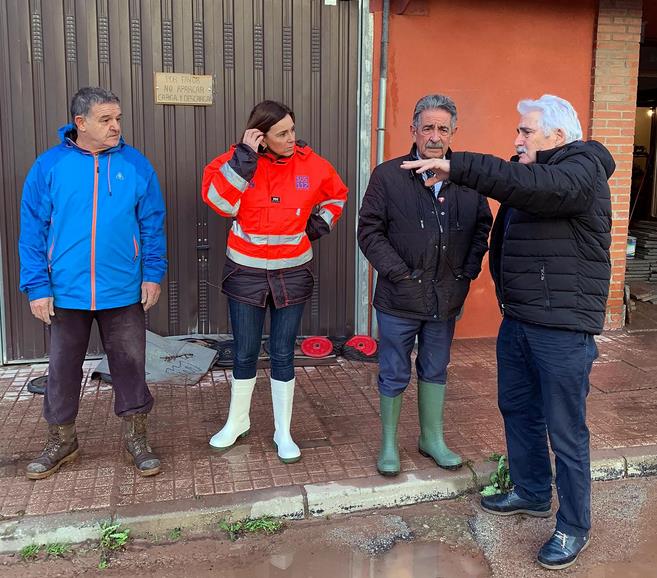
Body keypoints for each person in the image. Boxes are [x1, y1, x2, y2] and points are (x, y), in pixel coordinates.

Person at [402, 94, 614, 570]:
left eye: (526, 131)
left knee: (566, 430)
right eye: (518, 131)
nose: (517, 138)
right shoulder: (537, 176)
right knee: (518, 409)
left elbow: (530, 186)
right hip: (519, 320)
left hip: (560, 329)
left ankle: (574, 526)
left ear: (558, 136)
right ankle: (533, 491)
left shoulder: (581, 170)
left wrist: (457, 166)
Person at [19, 86, 167, 480]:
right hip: (66, 290)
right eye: (106, 120)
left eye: (118, 118)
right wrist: (37, 286)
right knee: (62, 368)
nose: (116, 126)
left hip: (123, 288)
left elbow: (152, 224)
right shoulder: (49, 167)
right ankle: (62, 440)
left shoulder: (135, 165)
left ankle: (137, 437)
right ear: (80, 123)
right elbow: (33, 230)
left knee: (131, 364)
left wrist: (152, 274)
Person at [201, 100, 348, 463]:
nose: (291, 139)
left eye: (292, 130)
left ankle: (284, 430)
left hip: (292, 273)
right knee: (245, 349)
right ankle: (237, 421)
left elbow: (337, 195)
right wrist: (244, 160)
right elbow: (218, 201)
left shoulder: (311, 165)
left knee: (283, 351)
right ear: (260, 136)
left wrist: (318, 225)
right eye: (282, 133)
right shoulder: (233, 164)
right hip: (245, 273)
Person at [357, 94, 492, 477]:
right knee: (394, 370)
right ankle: (388, 444)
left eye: (443, 129)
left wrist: (467, 272)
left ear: (453, 133)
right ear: (414, 129)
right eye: (428, 127)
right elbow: (368, 230)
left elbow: (483, 225)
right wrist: (398, 272)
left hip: (445, 296)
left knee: (435, 367)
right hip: (399, 296)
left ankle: (431, 439)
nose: (435, 136)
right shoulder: (388, 175)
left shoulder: (466, 179)